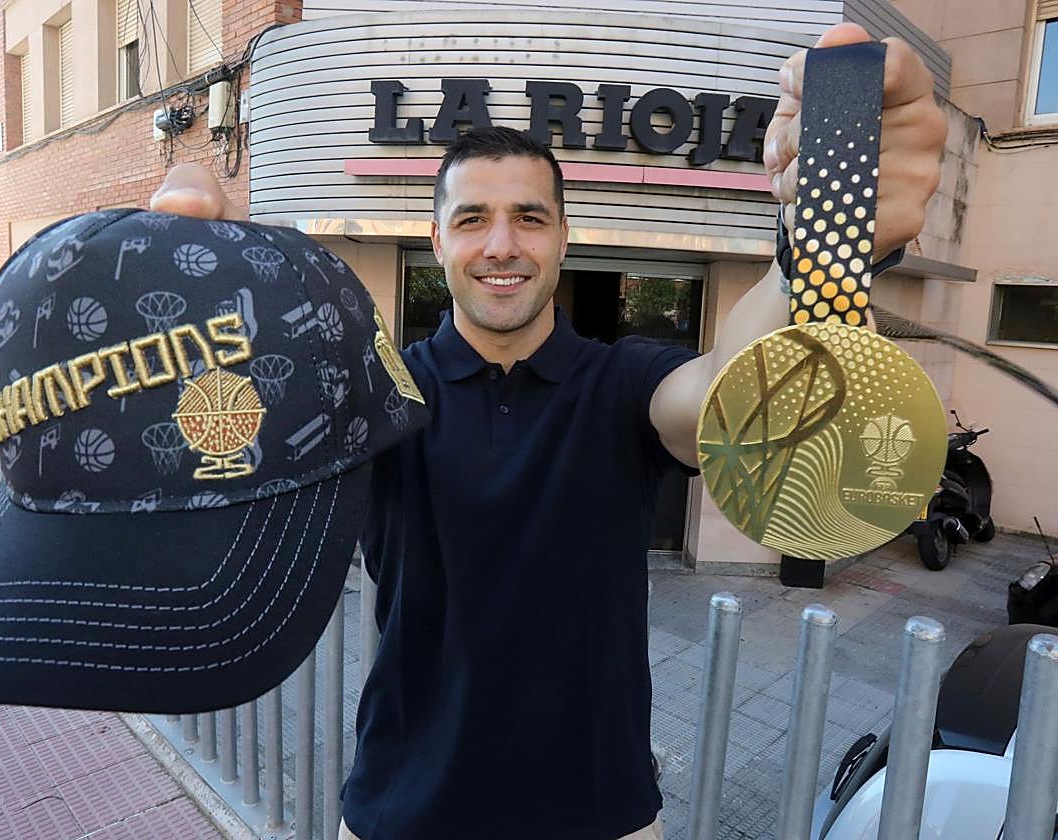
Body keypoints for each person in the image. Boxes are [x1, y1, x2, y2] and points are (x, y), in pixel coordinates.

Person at [149, 23, 945, 840]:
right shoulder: (379, 389)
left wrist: (823, 248)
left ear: (564, 239)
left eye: (530, 218)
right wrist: (200, 323)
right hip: (404, 811)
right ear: (437, 241)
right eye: (473, 220)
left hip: (601, 817)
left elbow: (730, 394)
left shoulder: (624, 385)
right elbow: (232, 450)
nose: (502, 245)